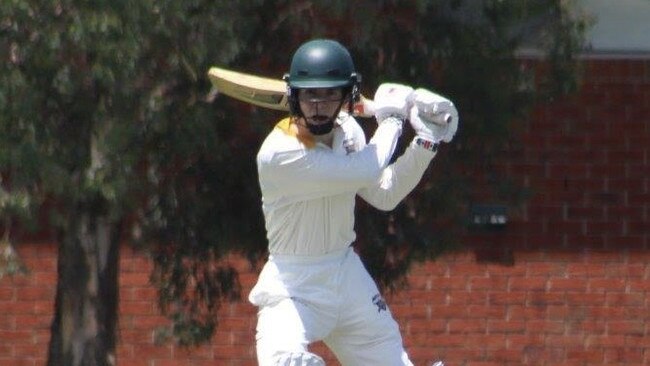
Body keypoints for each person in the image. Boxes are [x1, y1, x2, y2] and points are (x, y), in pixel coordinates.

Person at [248, 39, 458, 366]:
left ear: (347, 96)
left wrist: (426, 141)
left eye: (330, 94)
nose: (318, 104)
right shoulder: (278, 153)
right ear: (294, 95)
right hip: (295, 287)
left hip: (347, 278)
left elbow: (384, 193)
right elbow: (365, 168)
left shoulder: (349, 132)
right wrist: (391, 119)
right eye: (310, 94)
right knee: (282, 358)